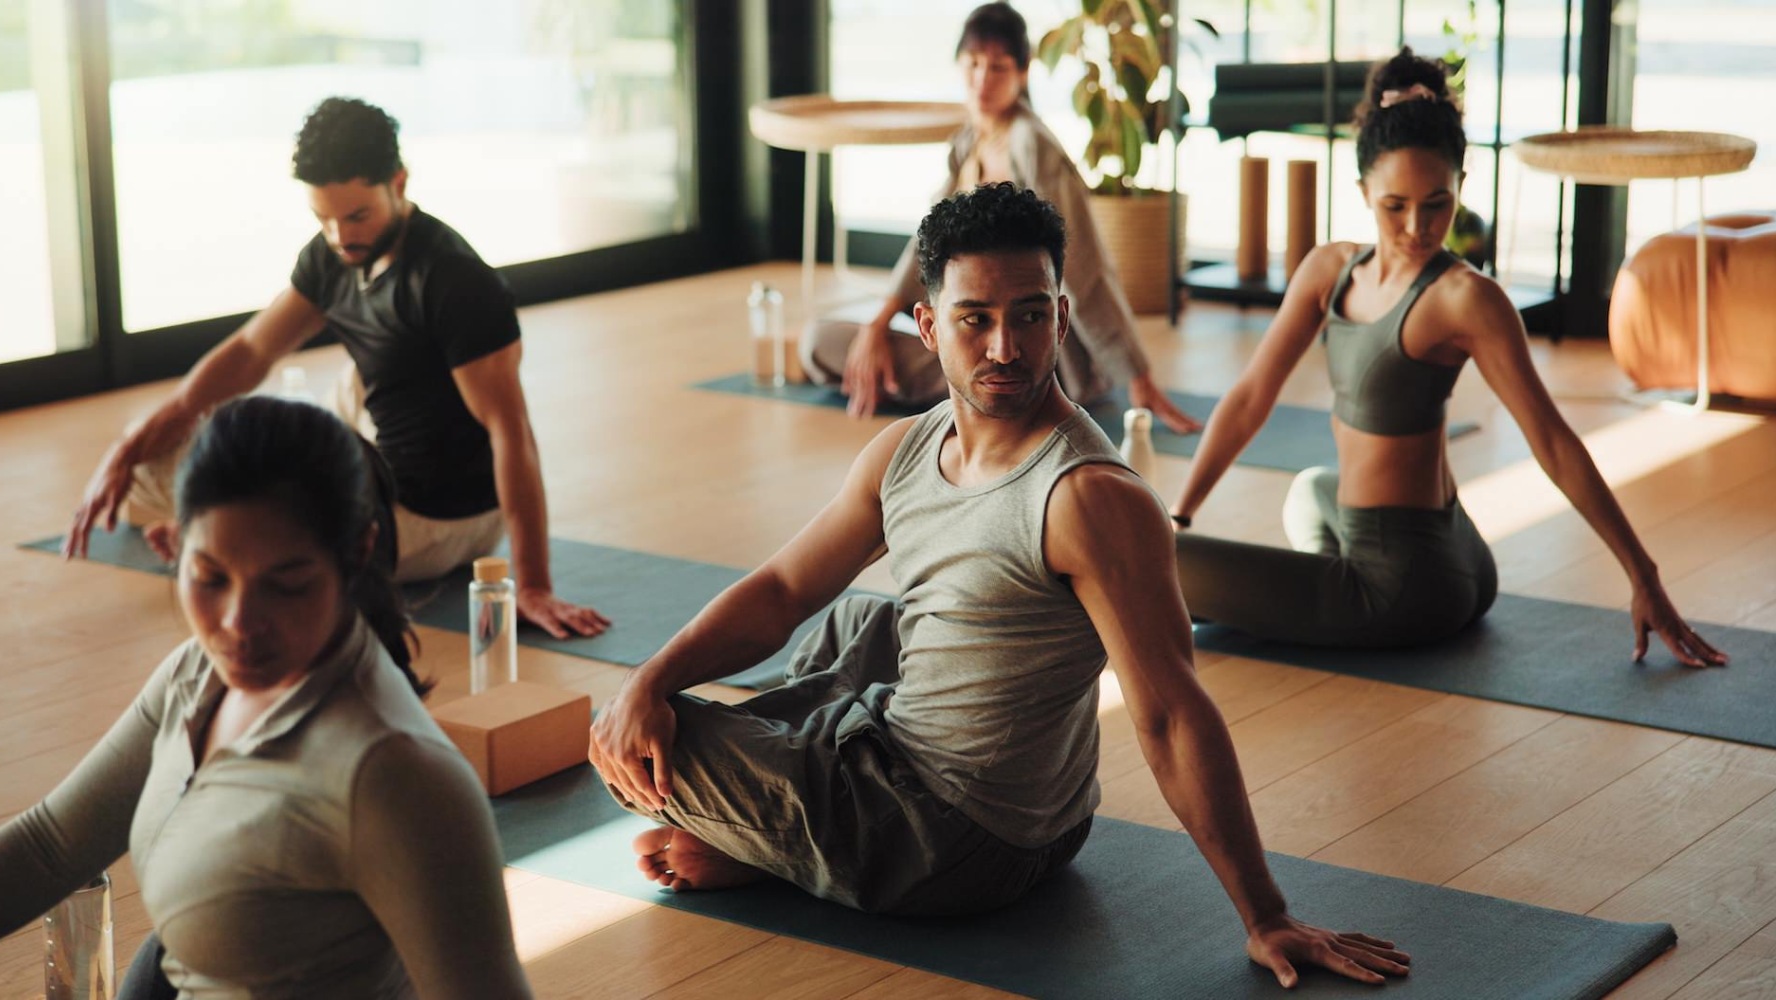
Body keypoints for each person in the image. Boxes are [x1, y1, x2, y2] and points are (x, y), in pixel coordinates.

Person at [592, 183, 1411, 988]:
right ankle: (768, 826)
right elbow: (780, 590)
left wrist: (1266, 914)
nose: (1004, 348)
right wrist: (652, 678)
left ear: (1061, 317)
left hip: (955, 841)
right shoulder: (905, 451)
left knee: (623, 738)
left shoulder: (1091, 498)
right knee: (855, 626)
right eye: (974, 320)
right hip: (993, 795)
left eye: (1028, 315)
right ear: (927, 325)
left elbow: (1169, 713)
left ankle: (763, 837)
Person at [1167, 49, 1726, 665]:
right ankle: (1316, 599)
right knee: (1307, 490)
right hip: (1450, 557)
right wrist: (1182, 513)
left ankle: (1332, 606)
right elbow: (1250, 399)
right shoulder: (1330, 269)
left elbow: (1553, 440)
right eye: (1395, 206)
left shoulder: (1465, 299)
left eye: (1437, 203)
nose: (1416, 227)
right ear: (1362, 191)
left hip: (1405, 582)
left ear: (1461, 187)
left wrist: (1643, 574)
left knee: (1153, 564)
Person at [0, 397, 531, 998]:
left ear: (357, 554)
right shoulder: (196, 676)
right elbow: (50, 847)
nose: (240, 623)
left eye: (287, 584)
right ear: (168, 546)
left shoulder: (393, 778)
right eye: (210, 578)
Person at [64, 96, 609, 640]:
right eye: (322, 218)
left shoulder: (455, 281)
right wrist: (130, 443)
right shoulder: (333, 256)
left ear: (398, 183)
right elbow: (251, 352)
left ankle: (228, 543)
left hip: (443, 516)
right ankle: (232, 532)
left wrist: (532, 583)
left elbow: (512, 433)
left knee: (262, 517)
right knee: (142, 469)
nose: (340, 236)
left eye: (357, 216)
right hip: (385, 454)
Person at [800, 2, 1200, 435]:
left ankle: (988, 388)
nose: (982, 80)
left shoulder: (1032, 144)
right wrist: (877, 327)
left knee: (852, 351)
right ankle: (926, 375)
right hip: (972, 329)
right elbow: (929, 245)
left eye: (998, 68)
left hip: (1033, 351)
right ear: (958, 64)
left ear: (1023, 73)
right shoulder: (967, 140)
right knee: (819, 343)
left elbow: (1083, 267)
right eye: (973, 65)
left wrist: (1136, 375)